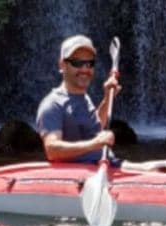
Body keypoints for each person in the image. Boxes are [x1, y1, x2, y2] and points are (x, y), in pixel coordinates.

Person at [36, 35, 121, 163]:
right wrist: (96, 143)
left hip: (107, 165)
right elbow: (52, 150)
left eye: (89, 63)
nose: (85, 69)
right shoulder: (52, 104)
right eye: (77, 63)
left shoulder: (84, 98)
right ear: (62, 65)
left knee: (160, 167)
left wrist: (108, 98)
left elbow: (96, 126)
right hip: (83, 176)